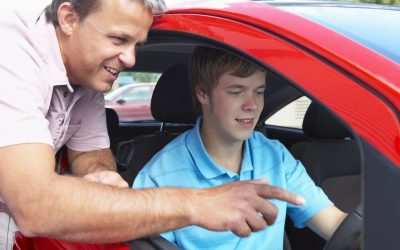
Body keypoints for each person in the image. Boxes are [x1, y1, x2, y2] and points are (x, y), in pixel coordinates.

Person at [0, 1, 306, 249]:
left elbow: (89, 153)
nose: (131, 59)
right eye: (119, 39)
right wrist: (197, 204)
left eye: (136, 44)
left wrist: (101, 175)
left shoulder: (88, 78)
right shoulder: (11, 54)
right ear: (68, 18)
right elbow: (35, 205)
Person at [133, 47, 348, 249]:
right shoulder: (159, 177)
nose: (252, 105)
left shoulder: (275, 155)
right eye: (237, 92)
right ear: (203, 93)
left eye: (259, 91)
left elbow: (335, 224)